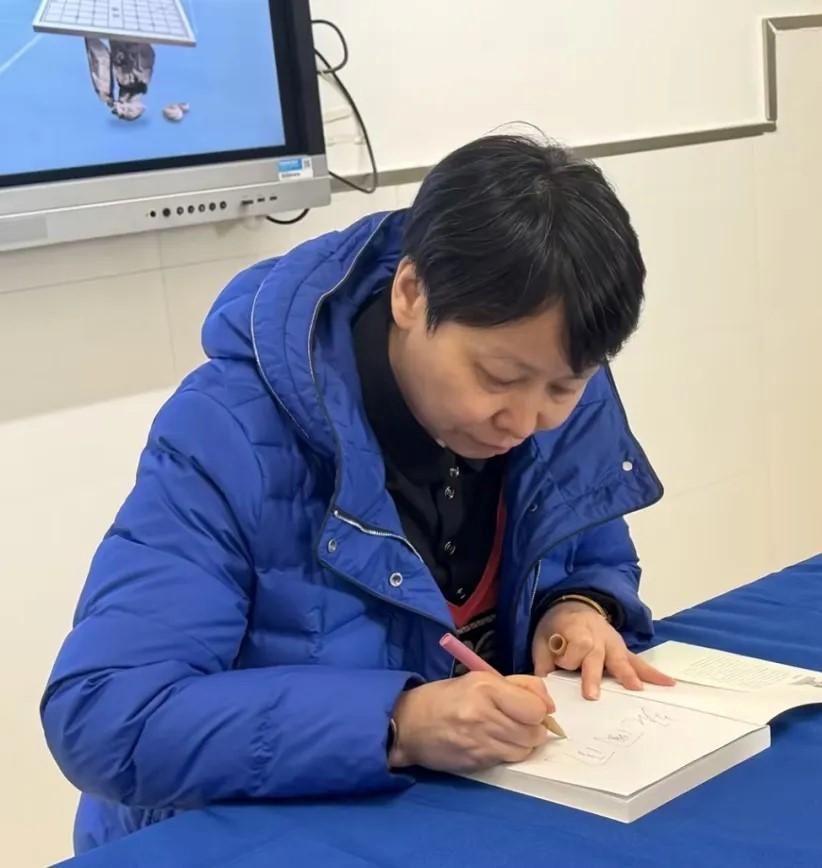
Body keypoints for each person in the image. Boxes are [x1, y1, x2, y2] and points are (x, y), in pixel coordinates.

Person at [41, 134, 673, 853]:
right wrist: (399, 723)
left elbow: (591, 552)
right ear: (410, 293)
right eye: (498, 378)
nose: (525, 421)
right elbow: (106, 715)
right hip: (240, 840)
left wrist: (579, 609)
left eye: (565, 386)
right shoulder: (231, 432)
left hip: (456, 826)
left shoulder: (551, 388)